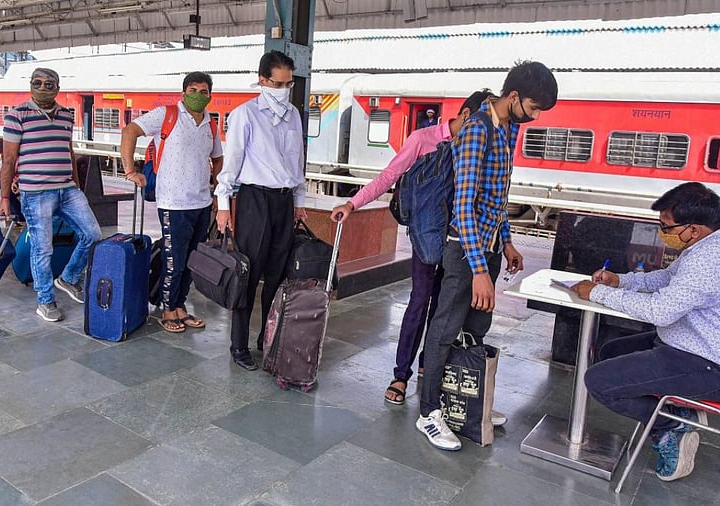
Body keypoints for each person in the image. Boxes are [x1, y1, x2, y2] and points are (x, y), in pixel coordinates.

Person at [573, 182, 720, 482]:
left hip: (717, 371)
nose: (662, 231)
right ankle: (671, 413)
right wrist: (619, 282)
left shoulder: (711, 260)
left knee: (598, 381)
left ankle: (671, 424)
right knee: (609, 352)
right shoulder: (710, 245)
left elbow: (659, 311)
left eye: (667, 226)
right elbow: (666, 279)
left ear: (694, 229)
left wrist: (597, 293)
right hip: (695, 347)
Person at [417, 61, 558, 451]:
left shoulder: (507, 128)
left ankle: (464, 400)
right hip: (465, 252)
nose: (534, 116)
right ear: (513, 97)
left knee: (475, 327)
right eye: (532, 107)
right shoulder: (478, 129)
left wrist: (507, 240)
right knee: (444, 329)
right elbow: (463, 206)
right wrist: (479, 269)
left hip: (490, 247)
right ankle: (429, 412)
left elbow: (496, 198)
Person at [332, 90, 503, 411]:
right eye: (478, 122)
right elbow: (389, 175)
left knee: (444, 307)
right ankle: (401, 374)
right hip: (426, 238)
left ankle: (430, 363)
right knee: (419, 303)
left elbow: (491, 196)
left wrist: (505, 242)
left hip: (460, 242)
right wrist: (353, 203)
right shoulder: (423, 140)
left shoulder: (480, 145)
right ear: (466, 115)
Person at [214, 50, 306, 370]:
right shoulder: (245, 115)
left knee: (277, 277)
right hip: (255, 200)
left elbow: (298, 164)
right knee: (247, 275)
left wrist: (299, 203)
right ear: (263, 80)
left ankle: (267, 340)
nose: (284, 90)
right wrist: (223, 206)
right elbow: (232, 165)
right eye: (278, 83)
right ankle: (238, 345)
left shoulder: (294, 115)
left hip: (283, 202)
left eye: (289, 84)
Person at [121, 71, 223, 333]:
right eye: (192, 90)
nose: (198, 96)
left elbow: (217, 157)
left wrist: (216, 187)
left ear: (210, 95)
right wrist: (130, 170)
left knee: (191, 260)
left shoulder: (211, 123)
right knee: (173, 260)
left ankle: (180, 306)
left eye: (203, 92)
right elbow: (130, 131)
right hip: (173, 203)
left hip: (201, 202)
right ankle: (167, 308)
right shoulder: (167, 114)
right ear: (183, 93)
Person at [0, 68, 102, 322]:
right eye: (37, 83)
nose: (43, 87)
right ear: (30, 85)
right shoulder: (17, 115)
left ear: (58, 88)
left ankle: (67, 278)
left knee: (93, 234)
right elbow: (9, 160)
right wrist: (4, 198)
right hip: (35, 193)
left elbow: (69, 152)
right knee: (42, 249)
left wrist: (76, 185)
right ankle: (45, 300)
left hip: (67, 189)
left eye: (49, 84)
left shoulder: (67, 115)